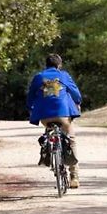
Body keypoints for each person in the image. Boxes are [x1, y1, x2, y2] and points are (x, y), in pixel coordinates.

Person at [26, 53, 82, 188]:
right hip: (63, 115)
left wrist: (31, 108)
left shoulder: (39, 77)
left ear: (46, 65)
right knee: (71, 138)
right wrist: (78, 102)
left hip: (45, 117)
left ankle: (48, 149)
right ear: (59, 65)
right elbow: (76, 94)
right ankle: (74, 176)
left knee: (49, 131)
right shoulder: (64, 76)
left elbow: (30, 97)